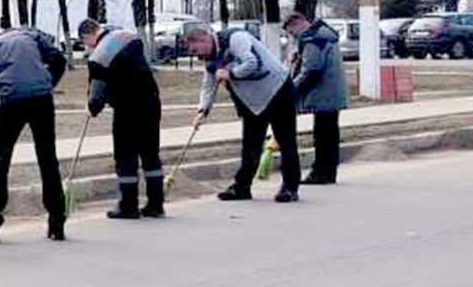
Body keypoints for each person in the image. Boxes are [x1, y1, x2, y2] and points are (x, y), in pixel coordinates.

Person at [0, 24, 68, 244]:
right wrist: (47, 83)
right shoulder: (30, 35)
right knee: (48, 159)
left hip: (9, 102)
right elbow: (59, 60)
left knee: (0, 166)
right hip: (42, 100)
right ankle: (57, 222)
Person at [183, 26, 301, 203]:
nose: (197, 55)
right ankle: (242, 187)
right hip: (252, 102)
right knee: (250, 145)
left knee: (286, 141)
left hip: (277, 90)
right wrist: (202, 110)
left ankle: (290, 187)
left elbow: (252, 63)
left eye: (195, 50)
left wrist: (230, 73)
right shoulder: (210, 58)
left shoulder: (236, 39)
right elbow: (208, 84)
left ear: (204, 39)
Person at [78, 19, 164, 219]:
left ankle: (128, 206)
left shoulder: (99, 56)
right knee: (150, 154)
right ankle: (156, 204)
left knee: (126, 155)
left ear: (87, 35)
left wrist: (92, 108)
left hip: (128, 108)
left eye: (84, 42)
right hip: (151, 101)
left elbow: (97, 91)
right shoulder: (128, 37)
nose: (87, 46)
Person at [284, 12, 348, 184]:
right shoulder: (324, 35)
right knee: (330, 133)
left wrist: (290, 89)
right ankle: (329, 172)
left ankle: (320, 172)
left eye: (292, 32)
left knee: (322, 135)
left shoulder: (313, 39)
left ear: (298, 24)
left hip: (323, 93)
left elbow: (311, 70)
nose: (293, 37)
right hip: (332, 91)